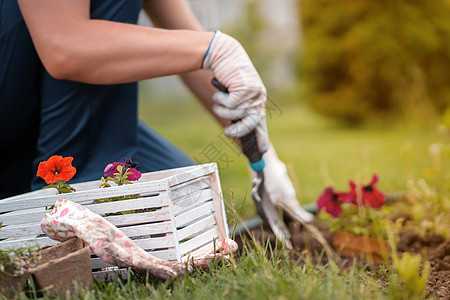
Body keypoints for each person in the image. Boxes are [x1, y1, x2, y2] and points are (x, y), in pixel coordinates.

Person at [0, 0, 313, 222]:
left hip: (37, 124)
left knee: (192, 207)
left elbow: (188, 43)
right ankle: (67, 205)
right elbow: (63, 46)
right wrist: (217, 48)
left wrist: (264, 160)